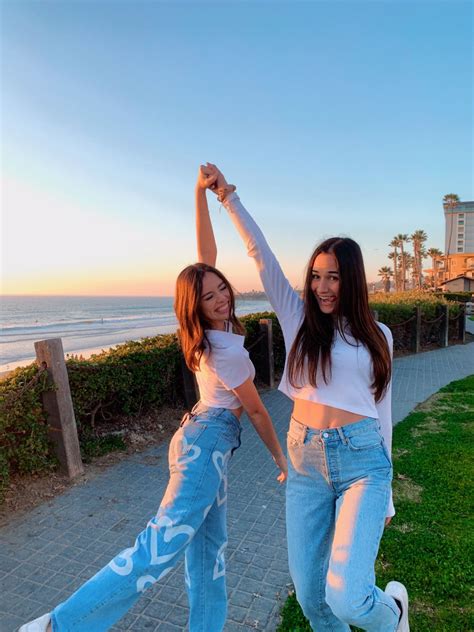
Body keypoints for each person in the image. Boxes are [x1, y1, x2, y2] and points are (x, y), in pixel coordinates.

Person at [19, 166, 287, 632]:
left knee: (208, 554)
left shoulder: (206, 331)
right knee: (156, 551)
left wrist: (201, 194)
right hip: (206, 445)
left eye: (223, 288)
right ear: (195, 305)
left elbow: (205, 257)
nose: (223, 297)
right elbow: (260, 412)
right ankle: (57, 625)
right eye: (211, 296)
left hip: (204, 441)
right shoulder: (225, 353)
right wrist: (282, 459)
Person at [206, 165, 409, 632]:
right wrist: (228, 197)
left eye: (333, 277)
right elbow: (262, 257)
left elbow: (383, 411)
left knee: (347, 598)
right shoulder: (299, 322)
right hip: (305, 463)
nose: (322, 286)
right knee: (313, 598)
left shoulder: (379, 336)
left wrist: (389, 494)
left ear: (352, 280)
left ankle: (393, 614)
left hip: (364, 462)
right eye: (316, 276)